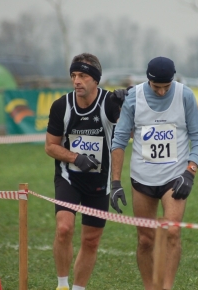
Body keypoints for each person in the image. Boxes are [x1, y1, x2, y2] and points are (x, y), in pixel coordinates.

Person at [110, 56, 198, 289]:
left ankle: (167, 287)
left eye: (167, 86)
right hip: (142, 179)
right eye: (157, 87)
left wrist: (190, 171)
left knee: (172, 232)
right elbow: (119, 140)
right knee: (145, 240)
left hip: (175, 177)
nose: (162, 92)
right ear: (148, 81)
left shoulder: (185, 95)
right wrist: (115, 183)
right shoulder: (134, 97)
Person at [45, 52, 127, 290]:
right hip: (69, 177)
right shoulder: (62, 106)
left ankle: (78, 288)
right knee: (64, 228)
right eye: (73, 75)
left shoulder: (110, 103)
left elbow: (128, 133)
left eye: (82, 75)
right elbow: (50, 146)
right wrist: (75, 157)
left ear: (95, 79)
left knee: (91, 240)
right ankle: (62, 285)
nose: (76, 81)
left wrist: (128, 102)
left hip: (99, 181)